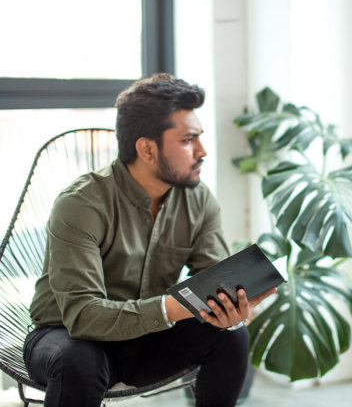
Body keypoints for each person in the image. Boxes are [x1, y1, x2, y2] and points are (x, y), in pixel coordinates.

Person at [24, 73, 275, 407]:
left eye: (199, 138)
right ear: (146, 149)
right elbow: (83, 316)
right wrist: (174, 307)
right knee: (79, 362)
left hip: (146, 340)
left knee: (232, 338)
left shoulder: (198, 201)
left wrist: (232, 310)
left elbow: (215, 278)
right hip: (66, 336)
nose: (202, 151)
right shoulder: (82, 203)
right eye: (187, 141)